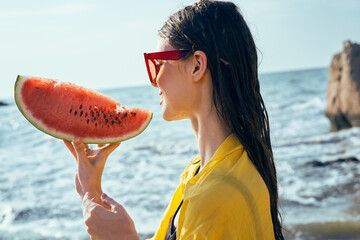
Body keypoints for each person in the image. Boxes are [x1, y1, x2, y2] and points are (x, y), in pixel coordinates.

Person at [64, 0, 284, 239]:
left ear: (197, 66)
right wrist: (91, 190)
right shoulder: (201, 171)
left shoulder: (217, 194)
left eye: (159, 63)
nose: (155, 80)